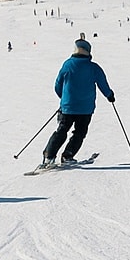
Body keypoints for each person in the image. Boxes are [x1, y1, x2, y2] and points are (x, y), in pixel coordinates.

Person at [41, 39, 114, 169]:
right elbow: (103, 84)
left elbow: (58, 84)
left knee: (62, 130)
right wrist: (109, 95)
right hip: (85, 109)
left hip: (68, 107)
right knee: (79, 132)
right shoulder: (93, 68)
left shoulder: (68, 65)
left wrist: (64, 99)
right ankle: (68, 156)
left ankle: (49, 155)